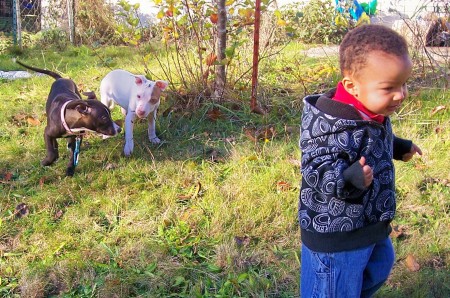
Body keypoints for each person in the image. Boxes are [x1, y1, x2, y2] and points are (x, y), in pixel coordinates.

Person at [298, 24, 422, 297]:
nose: (400, 94)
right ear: (352, 86)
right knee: (333, 287)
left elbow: (370, 140)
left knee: (379, 266)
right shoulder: (330, 126)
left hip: (369, 223)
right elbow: (314, 169)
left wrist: (397, 146)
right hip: (336, 233)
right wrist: (346, 177)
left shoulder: (368, 112)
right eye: (389, 87)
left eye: (403, 84)